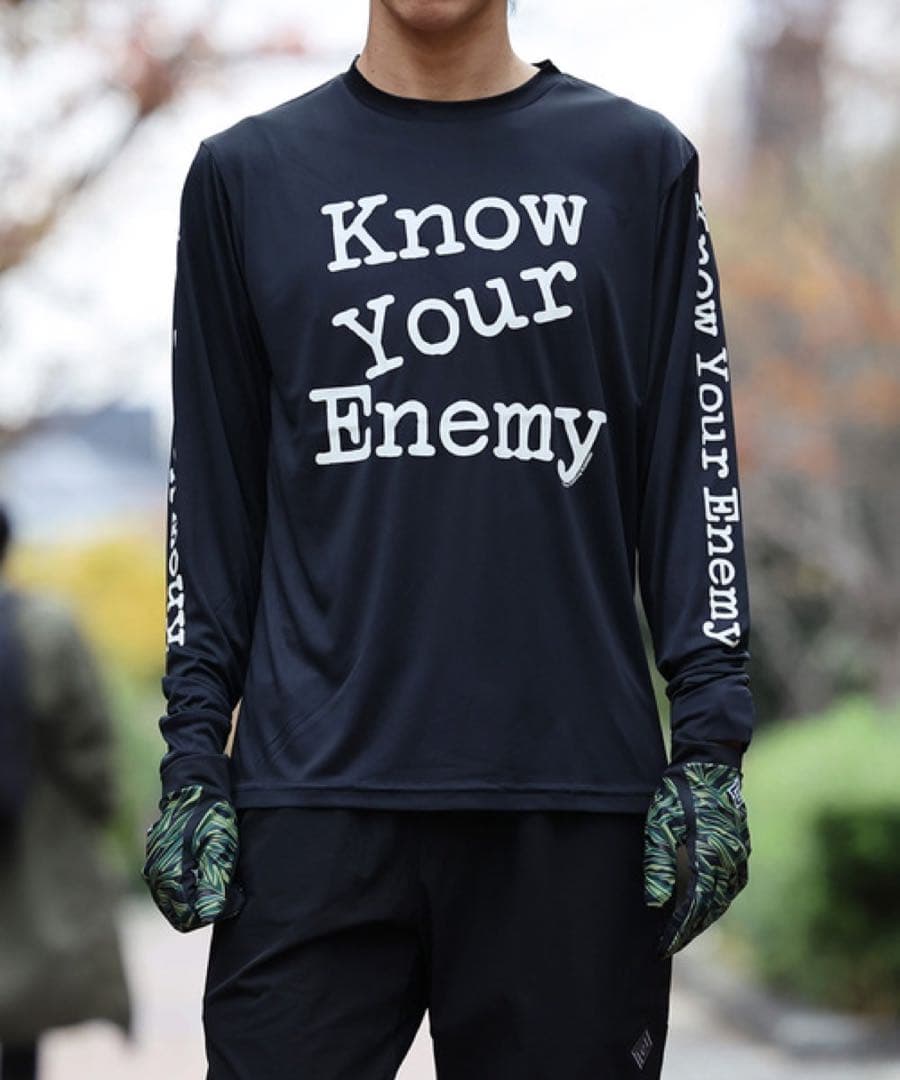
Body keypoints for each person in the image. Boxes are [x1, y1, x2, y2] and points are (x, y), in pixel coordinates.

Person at [141, 2, 755, 1076]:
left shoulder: (638, 166)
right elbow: (212, 500)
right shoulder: (248, 177)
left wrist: (711, 749)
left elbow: (692, 474)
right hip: (309, 805)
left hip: (570, 804)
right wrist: (194, 754)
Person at [0, 503, 133, 1079]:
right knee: (18, 1008)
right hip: (30, 845)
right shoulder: (44, 627)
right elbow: (89, 745)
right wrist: (103, 809)